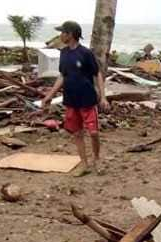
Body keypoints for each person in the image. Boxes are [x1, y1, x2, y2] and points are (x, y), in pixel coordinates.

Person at [42, 21, 109, 177]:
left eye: (62, 32)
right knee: (77, 133)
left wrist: (103, 97)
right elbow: (62, 76)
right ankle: (84, 164)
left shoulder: (85, 53)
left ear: (70, 34)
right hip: (71, 100)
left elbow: (97, 74)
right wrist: (49, 96)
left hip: (87, 99)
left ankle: (97, 160)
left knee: (93, 133)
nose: (60, 35)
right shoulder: (64, 53)